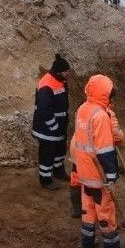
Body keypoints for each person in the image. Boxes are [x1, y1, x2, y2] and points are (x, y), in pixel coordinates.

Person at [71, 74, 125, 248]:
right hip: (98, 174)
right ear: (105, 94)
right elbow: (105, 150)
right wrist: (111, 175)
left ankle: (86, 242)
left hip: (83, 169)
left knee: (87, 208)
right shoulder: (101, 116)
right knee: (105, 209)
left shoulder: (82, 109)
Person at [31, 54, 72, 190]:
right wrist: (54, 126)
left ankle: (58, 170)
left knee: (60, 150)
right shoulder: (46, 85)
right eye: (66, 71)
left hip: (58, 127)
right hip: (47, 129)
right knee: (47, 154)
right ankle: (45, 179)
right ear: (59, 71)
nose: (68, 73)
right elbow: (44, 110)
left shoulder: (60, 81)